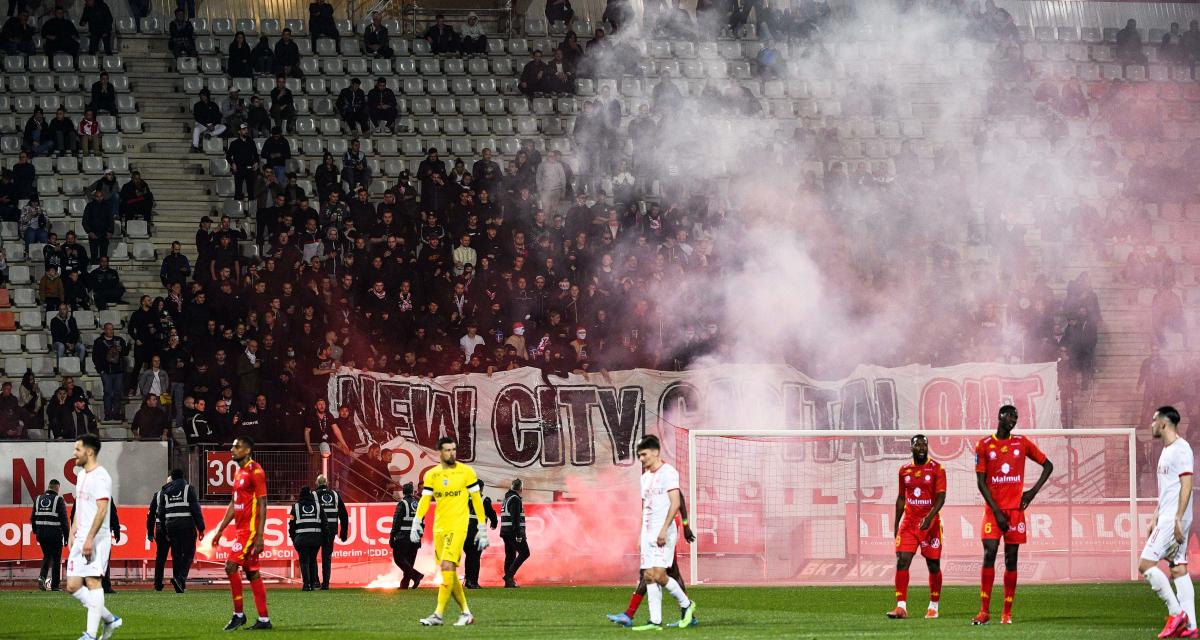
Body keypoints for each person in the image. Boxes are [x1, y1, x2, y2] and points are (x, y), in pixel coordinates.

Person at [972, 405, 1054, 625]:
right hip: (993, 512)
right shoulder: (984, 445)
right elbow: (981, 483)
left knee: (1011, 559)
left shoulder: (1022, 442)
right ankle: (984, 611)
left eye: (1016, 417)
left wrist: (1032, 493)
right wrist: (997, 512)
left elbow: (1048, 465)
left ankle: (1006, 613)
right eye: (1010, 416)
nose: (1014, 420)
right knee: (989, 553)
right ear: (1000, 416)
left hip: (1016, 512)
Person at [411, 437, 489, 626]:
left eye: (454, 450)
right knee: (449, 572)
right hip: (439, 527)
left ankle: (438, 615)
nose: (451, 453)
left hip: (458, 526)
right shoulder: (432, 475)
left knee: (447, 565)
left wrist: (481, 526)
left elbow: (477, 499)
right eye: (447, 450)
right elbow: (425, 500)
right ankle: (466, 613)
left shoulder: (466, 472)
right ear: (440, 452)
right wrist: (417, 520)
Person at [627, 435, 696, 631]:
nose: (641, 459)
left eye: (644, 455)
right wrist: (640, 535)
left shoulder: (668, 473)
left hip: (663, 532)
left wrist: (665, 529)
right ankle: (655, 621)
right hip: (648, 533)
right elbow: (645, 507)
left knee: (659, 574)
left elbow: (675, 503)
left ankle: (687, 604)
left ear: (655, 452)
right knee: (648, 576)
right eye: (639, 456)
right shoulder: (645, 478)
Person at [1141, 406, 1198, 638]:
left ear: (1164, 423)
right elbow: (1169, 489)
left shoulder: (1181, 449)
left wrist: (1176, 518)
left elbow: (1187, 485)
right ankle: (1192, 626)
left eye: (1154, 420)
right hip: (1167, 515)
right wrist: (1155, 514)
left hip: (1174, 518)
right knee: (1178, 569)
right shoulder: (1167, 450)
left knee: (1145, 565)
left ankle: (1177, 614)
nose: (1151, 424)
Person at [607, 492, 697, 627]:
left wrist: (685, 526)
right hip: (652, 531)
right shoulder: (647, 478)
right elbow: (647, 511)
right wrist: (642, 535)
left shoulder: (665, 474)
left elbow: (679, 499)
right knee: (668, 573)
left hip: (666, 531)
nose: (645, 468)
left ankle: (630, 614)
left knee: (652, 572)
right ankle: (688, 616)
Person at [65, 434, 123, 640]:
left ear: (89, 452)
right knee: (72, 585)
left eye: (77, 449)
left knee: (92, 581)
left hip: (97, 538)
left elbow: (101, 510)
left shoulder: (101, 476)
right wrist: (73, 531)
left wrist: (89, 538)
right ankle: (109, 619)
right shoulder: (81, 475)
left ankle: (90, 634)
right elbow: (80, 507)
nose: (74, 453)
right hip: (81, 536)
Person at [212, 436, 272, 630]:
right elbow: (234, 503)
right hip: (241, 530)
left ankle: (238, 615)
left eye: (237, 446)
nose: (232, 449)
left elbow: (263, 503)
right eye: (233, 446)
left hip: (251, 531)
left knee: (230, 567)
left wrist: (260, 535)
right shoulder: (239, 472)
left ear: (247, 451)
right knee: (252, 573)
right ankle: (264, 619)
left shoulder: (256, 472)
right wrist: (220, 529)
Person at [885, 434, 946, 620]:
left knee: (933, 564)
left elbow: (941, 497)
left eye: (924, 444)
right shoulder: (904, 470)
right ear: (911, 448)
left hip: (931, 523)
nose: (921, 447)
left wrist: (929, 518)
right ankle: (901, 607)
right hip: (910, 523)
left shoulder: (937, 469)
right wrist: (896, 525)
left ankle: (933, 606)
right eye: (917, 444)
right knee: (902, 560)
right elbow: (901, 498)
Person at [31, 478, 70, 591]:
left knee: (47, 555)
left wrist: (35, 531)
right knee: (56, 559)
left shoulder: (38, 499)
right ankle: (55, 586)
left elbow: (33, 517)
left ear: (49, 486)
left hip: (41, 534)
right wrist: (67, 537)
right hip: (55, 534)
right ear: (57, 488)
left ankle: (42, 577)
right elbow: (64, 520)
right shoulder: (59, 500)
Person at [289, 485, 328, 591]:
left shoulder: (295, 507)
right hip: (316, 539)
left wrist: (294, 539)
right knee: (312, 560)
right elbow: (325, 523)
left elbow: (291, 525)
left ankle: (306, 585)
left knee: (304, 561)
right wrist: (323, 538)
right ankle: (313, 583)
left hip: (301, 539)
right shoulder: (318, 506)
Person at [314, 474, 349, 590]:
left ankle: (315, 582)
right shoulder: (335, 495)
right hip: (331, 531)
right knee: (327, 557)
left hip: (317, 531)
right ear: (327, 483)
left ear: (317, 484)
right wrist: (343, 533)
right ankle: (326, 584)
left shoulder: (313, 495)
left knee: (312, 556)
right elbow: (344, 515)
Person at [389, 482, 424, 589]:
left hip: (403, 536)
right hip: (415, 537)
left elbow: (396, 521)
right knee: (409, 561)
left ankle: (416, 575)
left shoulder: (402, 503)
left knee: (399, 559)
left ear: (403, 492)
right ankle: (405, 584)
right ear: (412, 491)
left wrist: (392, 536)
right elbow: (422, 521)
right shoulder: (418, 503)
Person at [462, 481, 496, 589]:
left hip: (464, 532)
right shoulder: (484, 500)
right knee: (475, 557)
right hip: (477, 532)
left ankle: (467, 580)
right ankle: (473, 582)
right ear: (481, 488)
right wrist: (494, 524)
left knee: (468, 556)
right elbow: (492, 514)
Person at [91, 323, 128, 421]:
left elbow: (126, 352)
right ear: (104, 330)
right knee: (108, 392)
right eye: (109, 329)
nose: (111, 331)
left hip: (118, 371)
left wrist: (122, 350)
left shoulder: (119, 340)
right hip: (106, 372)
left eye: (112, 329)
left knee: (117, 392)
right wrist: (101, 370)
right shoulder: (99, 342)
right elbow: (95, 357)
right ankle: (107, 413)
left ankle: (116, 413)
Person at [500, 478, 529, 588]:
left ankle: (509, 582)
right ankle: (509, 576)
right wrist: (518, 534)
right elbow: (515, 518)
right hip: (513, 532)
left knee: (510, 556)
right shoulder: (515, 499)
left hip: (505, 531)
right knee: (525, 553)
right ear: (521, 488)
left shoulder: (507, 498)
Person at [227, 124, 260, 202]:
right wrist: (232, 164)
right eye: (243, 129)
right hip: (239, 169)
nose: (246, 131)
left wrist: (256, 162)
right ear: (239, 131)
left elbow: (256, 155)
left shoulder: (251, 142)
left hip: (249, 169)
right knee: (238, 191)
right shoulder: (234, 143)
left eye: (246, 129)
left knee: (251, 191)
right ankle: (237, 211)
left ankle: (251, 211)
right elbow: (228, 156)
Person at [51, 303, 86, 369]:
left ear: (67, 310)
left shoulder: (72, 319)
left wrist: (73, 343)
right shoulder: (54, 321)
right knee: (61, 346)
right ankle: (60, 367)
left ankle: (80, 366)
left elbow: (75, 333)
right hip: (59, 342)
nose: (62, 311)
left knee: (82, 347)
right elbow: (56, 336)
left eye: (64, 309)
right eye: (60, 309)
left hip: (72, 342)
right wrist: (66, 344)